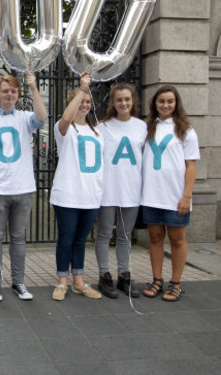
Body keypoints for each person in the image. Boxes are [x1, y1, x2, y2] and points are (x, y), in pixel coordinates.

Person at [0, 72, 46, 302]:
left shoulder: (25, 118)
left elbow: (42, 118)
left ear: (18, 95)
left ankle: (19, 282)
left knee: (18, 237)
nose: (9, 94)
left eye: (13, 91)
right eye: (5, 91)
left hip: (23, 188)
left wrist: (34, 88)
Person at [141, 85, 199, 302]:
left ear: (176, 104)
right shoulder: (148, 128)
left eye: (170, 101)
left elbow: (191, 166)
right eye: (161, 101)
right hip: (152, 194)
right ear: (155, 104)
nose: (165, 105)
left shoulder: (185, 130)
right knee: (155, 238)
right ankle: (157, 279)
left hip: (175, 195)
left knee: (177, 239)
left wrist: (187, 195)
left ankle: (175, 283)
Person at [50, 72, 103, 301]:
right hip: (68, 195)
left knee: (81, 241)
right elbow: (65, 119)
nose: (84, 105)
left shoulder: (98, 131)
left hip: (91, 195)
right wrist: (82, 88)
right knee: (66, 239)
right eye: (80, 101)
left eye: (87, 102)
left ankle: (78, 282)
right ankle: (62, 283)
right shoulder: (65, 130)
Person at [95, 83, 146, 299]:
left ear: (132, 101)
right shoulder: (103, 127)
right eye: (119, 100)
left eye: (127, 99)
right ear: (112, 103)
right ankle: (104, 275)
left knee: (125, 235)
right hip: (108, 189)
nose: (123, 103)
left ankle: (123, 274)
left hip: (131, 189)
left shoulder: (142, 127)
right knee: (105, 233)